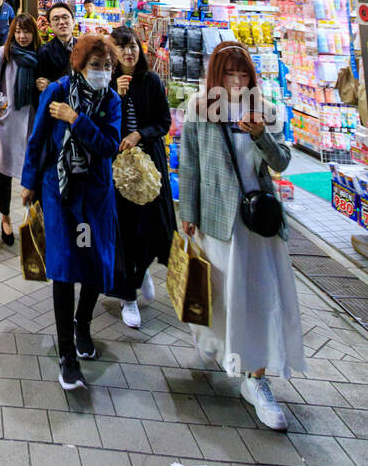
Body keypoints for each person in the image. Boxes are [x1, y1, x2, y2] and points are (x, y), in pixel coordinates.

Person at [179, 42, 304, 430]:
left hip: (260, 224)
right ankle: (221, 348)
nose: (237, 81)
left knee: (263, 298)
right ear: (217, 75)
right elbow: (190, 165)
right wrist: (188, 215)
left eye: (243, 73)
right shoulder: (199, 109)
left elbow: (282, 162)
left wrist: (262, 135)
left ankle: (257, 377)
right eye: (229, 73)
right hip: (218, 222)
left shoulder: (264, 111)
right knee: (221, 294)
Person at [21, 36, 121, 390]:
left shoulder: (111, 100)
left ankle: (84, 324)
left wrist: (76, 119)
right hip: (59, 191)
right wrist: (28, 182)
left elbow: (109, 145)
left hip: (94, 193)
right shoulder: (58, 91)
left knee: (94, 262)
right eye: (96, 67)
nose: (103, 74)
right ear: (80, 65)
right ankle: (67, 355)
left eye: (107, 67)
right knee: (64, 268)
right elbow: (37, 138)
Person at [107, 25, 176, 328]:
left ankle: (141, 270)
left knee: (156, 226)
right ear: (113, 53)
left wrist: (140, 134)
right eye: (122, 47)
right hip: (118, 170)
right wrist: (117, 96)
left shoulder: (151, 81)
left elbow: (164, 121)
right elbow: (101, 122)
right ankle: (128, 296)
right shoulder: (107, 83)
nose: (129, 52)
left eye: (132, 45)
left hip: (150, 168)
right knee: (123, 230)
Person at [0, 14, 41, 245]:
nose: (22, 36)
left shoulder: (40, 55)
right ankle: (5, 217)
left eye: (26, 31)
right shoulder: (4, 53)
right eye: (17, 31)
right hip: (8, 123)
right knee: (5, 170)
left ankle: (34, 220)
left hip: (33, 122)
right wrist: (3, 104)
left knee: (34, 171)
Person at [36, 1, 76, 89]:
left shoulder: (85, 48)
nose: (61, 22)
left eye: (65, 17)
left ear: (73, 21)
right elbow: (41, 86)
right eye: (56, 19)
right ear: (50, 25)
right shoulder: (44, 52)